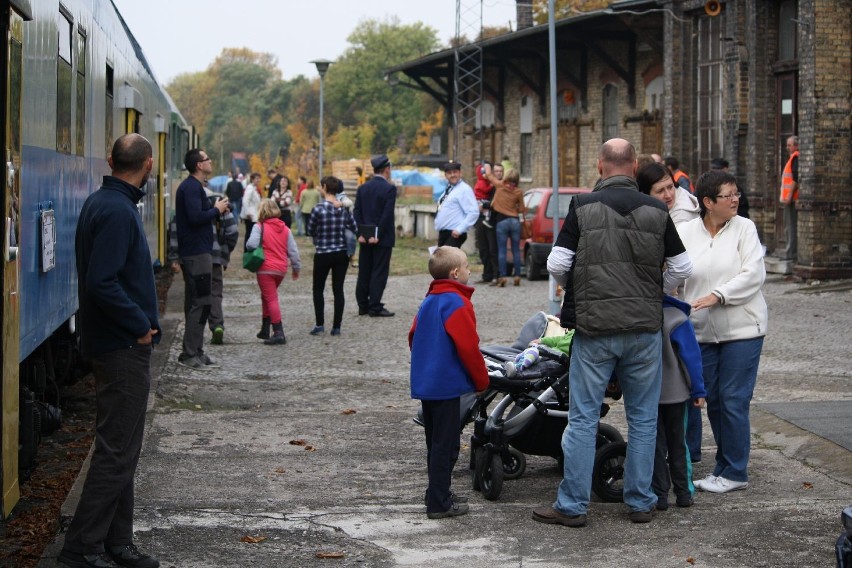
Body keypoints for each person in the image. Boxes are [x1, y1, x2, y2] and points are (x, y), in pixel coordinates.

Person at [534, 138, 693, 527]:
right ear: (635, 166)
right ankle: (640, 502)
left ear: (600, 166)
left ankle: (572, 506)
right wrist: (656, 291)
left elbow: (557, 261)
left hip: (595, 330)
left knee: (584, 419)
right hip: (643, 330)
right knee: (642, 419)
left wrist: (578, 287)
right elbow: (683, 268)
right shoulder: (657, 209)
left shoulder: (583, 206)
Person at [62, 133, 161, 568]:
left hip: (114, 343)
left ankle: (117, 542)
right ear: (149, 164)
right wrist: (141, 326)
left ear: (110, 160)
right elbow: (102, 282)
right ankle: (81, 548)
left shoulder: (103, 203)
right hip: (121, 346)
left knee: (125, 448)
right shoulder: (118, 211)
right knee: (116, 451)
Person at [677, 170, 767, 494]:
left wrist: (719, 294)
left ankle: (735, 471)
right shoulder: (685, 232)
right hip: (700, 331)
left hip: (743, 329)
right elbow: (673, 271)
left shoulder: (745, 228)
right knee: (711, 399)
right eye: (727, 195)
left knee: (733, 399)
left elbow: (753, 273)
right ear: (707, 202)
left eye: (736, 193)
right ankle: (723, 468)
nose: (735, 200)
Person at [408, 246, 489, 519]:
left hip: (427, 384)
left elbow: (412, 336)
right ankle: (439, 502)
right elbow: (469, 347)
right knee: (448, 445)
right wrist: (481, 379)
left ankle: (436, 492)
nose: (470, 270)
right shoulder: (456, 302)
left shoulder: (429, 299)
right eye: (467, 266)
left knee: (435, 443)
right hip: (445, 385)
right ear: (455, 273)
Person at [636, 161, 701, 461]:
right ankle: (679, 452)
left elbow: (681, 265)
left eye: (670, 187)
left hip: (676, 304)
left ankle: (687, 453)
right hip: (667, 303)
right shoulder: (656, 212)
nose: (668, 194)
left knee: (683, 382)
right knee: (673, 383)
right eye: (660, 190)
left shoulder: (682, 214)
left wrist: (659, 287)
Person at [174, 148, 229, 371]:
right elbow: (196, 217)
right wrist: (216, 210)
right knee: (199, 302)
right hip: (196, 253)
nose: (210, 161)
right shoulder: (190, 188)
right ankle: (189, 353)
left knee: (201, 302)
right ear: (199, 165)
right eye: (207, 159)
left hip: (200, 251)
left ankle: (197, 350)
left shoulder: (195, 187)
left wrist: (218, 209)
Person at [652, 294, 706, 511]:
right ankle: (684, 493)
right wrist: (698, 389)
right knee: (678, 444)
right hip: (676, 393)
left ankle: (659, 495)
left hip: (648, 393)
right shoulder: (678, 317)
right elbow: (691, 358)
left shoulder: (639, 313)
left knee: (654, 446)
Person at [246, 199, 301, 345]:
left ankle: (278, 332)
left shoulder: (259, 227)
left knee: (271, 298)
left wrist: (258, 245)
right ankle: (265, 328)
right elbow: (293, 251)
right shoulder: (286, 229)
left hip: (265, 268)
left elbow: (251, 244)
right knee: (267, 296)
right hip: (281, 269)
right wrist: (296, 268)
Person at [307, 176, 357, 336]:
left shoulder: (318, 209)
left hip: (322, 253)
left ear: (324, 187)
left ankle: (320, 323)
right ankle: (336, 327)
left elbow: (310, 230)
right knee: (338, 290)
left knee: (318, 289)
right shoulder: (343, 209)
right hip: (340, 253)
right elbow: (354, 227)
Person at [353, 154, 397, 317]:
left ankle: (362, 304)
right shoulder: (389, 189)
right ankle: (375, 305)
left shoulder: (362, 188)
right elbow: (386, 215)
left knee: (364, 270)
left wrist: (360, 233)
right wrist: (377, 234)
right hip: (382, 238)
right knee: (379, 271)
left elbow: (356, 212)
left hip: (364, 237)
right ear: (387, 169)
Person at [484, 166, 526, 287]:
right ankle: (517, 276)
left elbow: (490, 177)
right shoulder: (518, 191)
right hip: (514, 222)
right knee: (516, 250)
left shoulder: (500, 185)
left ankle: (502, 277)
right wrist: (514, 207)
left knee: (502, 250)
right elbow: (522, 209)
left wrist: (487, 167)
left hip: (501, 222)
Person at [209, 198, 239, 345]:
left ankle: (193, 339)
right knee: (215, 292)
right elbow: (232, 232)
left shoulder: (189, 195)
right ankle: (217, 326)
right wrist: (225, 254)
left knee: (197, 296)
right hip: (215, 258)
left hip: (195, 257)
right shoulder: (222, 202)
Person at [434, 160, 479, 248]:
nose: (452, 175)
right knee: (441, 260)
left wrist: (460, 229)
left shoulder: (464, 189)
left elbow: (474, 212)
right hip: (444, 233)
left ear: (460, 173)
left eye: (455, 172)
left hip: (454, 233)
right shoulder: (449, 189)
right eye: (449, 173)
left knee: (447, 260)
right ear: (446, 175)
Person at [473, 162, 498, 284]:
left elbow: (496, 203)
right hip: (480, 218)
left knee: (492, 249)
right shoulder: (483, 184)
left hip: (492, 221)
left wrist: (484, 204)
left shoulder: (496, 186)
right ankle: (486, 274)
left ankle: (495, 275)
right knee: (483, 248)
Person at [779, 136, 799, 261]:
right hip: (789, 199)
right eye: (787, 145)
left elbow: (795, 180)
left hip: (791, 200)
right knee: (789, 225)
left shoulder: (795, 158)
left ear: (796, 145)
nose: (787, 147)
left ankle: (790, 253)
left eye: (789, 145)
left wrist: (789, 196)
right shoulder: (793, 158)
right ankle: (790, 252)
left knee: (790, 226)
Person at [241, 173, 262, 252]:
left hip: (254, 214)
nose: (258, 180)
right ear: (252, 179)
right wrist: (247, 213)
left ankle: (249, 251)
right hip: (251, 215)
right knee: (249, 234)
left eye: (259, 178)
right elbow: (245, 200)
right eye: (256, 178)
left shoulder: (254, 188)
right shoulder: (250, 187)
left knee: (251, 234)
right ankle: (247, 252)